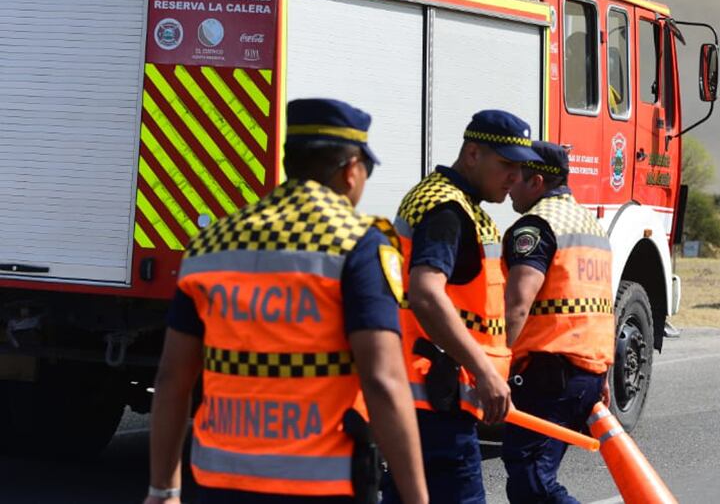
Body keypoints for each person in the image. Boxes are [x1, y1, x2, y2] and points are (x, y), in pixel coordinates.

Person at [144, 99, 427, 504]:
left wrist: (162, 488)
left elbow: (172, 377)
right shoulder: (358, 245)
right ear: (351, 170)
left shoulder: (210, 244)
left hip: (219, 483)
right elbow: (383, 381)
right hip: (321, 487)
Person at [385, 110, 543, 504]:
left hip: (426, 395)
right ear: (472, 154)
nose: (515, 178)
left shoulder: (449, 202)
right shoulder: (448, 211)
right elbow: (426, 293)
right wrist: (485, 371)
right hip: (436, 399)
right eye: (506, 164)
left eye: (521, 168)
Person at [500, 142, 614, 504]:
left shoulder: (536, 226)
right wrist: (604, 375)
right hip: (586, 372)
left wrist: (490, 368)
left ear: (536, 182)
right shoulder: (589, 225)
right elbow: (599, 305)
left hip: (549, 375)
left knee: (531, 478)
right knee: (531, 476)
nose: (508, 187)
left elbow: (517, 305)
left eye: (515, 177)